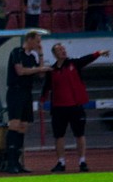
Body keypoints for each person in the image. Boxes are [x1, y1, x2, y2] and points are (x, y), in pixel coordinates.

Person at [41, 44, 109, 173]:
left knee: (79, 134)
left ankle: (82, 161)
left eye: (63, 49)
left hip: (75, 106)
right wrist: (42, 100)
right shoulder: (52, 70)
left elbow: (86, 59)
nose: (63, 51)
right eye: (60, 50)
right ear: (55, 54)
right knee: (59, 136)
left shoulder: (74, 64)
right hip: (59, 108)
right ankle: (61, 162)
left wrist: (98, 53)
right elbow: (46, 86)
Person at [5, 30, 50, 174]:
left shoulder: (32, 57)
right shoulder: (16, 52)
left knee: (23, 126)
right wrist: (39, 68)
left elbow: (41, 74)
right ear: (29, 39)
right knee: (14, 124)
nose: (39, 44)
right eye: (37, 41)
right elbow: (20, 71)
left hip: (26, 92)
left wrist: (41, 55)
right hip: (15, 91)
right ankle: (10, 162)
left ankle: (18, 162)